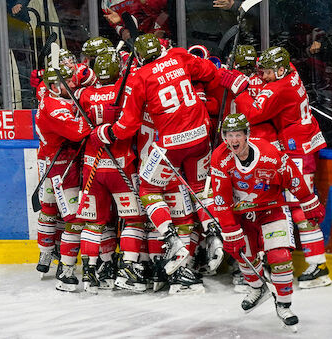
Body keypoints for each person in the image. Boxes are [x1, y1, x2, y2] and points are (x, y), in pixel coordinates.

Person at [89, 34, 220, 282]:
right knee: (201, 189)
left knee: (148, 189)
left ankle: (171, 240)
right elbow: (210, 71)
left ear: (139, 57)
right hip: (202, 136)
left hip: (172, 143)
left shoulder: (140, 77)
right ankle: (213, 234)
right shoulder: (179, 56)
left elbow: (128, 125)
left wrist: (106, 133)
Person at [220, 46, 331, 289]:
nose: (264, 76)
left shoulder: (279, 87)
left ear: (280, 70)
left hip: (297, 149)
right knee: (296, 204)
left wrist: (240, 88)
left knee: (300, 205)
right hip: (302, 142)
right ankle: (313, 262)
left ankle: (319, 266)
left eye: (268, 72)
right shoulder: (289, 70)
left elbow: (253, 113)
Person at [211, 113, 325, 330]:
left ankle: (284, 305)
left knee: (279, 256)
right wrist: (229, 228)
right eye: (229, 135)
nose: (233, 140)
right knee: (243, 253)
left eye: (238, 135)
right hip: (242, 215)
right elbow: (221, 199)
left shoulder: (269, 153)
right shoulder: (220, 158)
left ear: (247, 135)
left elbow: (292, 176)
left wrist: (308, 200)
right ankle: (257, 288)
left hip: (271, 210)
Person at [76, 52, 147, 293]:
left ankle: (90, 272)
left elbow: (80, 128)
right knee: (133, 218)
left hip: (92, 166)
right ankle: (127, 268)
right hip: (120, 165)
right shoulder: (124, 88)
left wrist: (96, 131)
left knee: (94, 223)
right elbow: (130, 124)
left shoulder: (84, 94)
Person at [34, 63, 91, 292]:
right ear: (55, 86)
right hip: (61, 169)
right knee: (73, 219)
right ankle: (66, 270)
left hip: (48, 161)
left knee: (49, 211)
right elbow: (79, 132)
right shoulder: (55, 106)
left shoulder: (45, 92)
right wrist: (91, 118)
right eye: (66, 82)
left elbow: (38, 82)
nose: (72, 85)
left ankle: (45, 255)